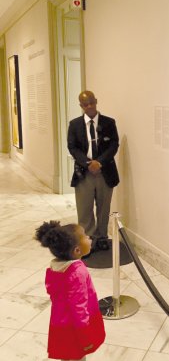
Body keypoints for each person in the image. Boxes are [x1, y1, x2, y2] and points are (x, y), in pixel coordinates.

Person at [35, 220, 105, 361]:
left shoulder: (54, 267)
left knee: (66, 354)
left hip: (59, 321)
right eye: (85, 237)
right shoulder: (77, 271)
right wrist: (85, 333)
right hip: (76, 325)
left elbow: (52, 292)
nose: (89, 238)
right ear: (77, 250)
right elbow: (79, 306)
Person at [67, 90, 119, 253]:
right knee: (84, 209)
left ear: (96, 101)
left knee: (104, 207)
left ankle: (102, 237)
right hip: (84, 173)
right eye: (85, 104)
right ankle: (87, 240)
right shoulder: (74, 125)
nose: (89, 106)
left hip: (105, 172)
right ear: (81, 106)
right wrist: (88, 163)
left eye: (91, 102)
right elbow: (72, 146)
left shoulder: (109, 122)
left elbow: (114, 145)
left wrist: (100, 162)